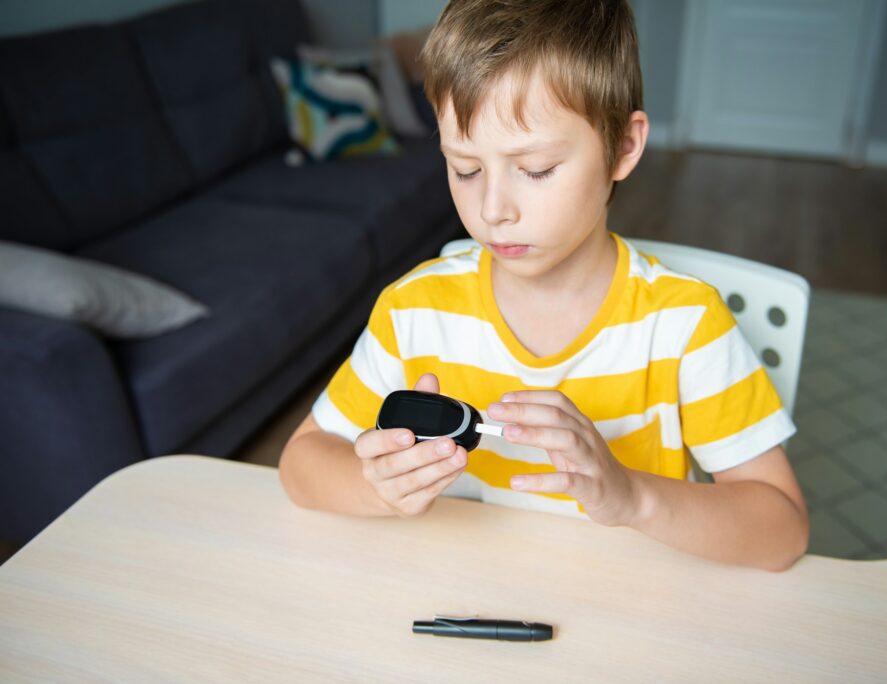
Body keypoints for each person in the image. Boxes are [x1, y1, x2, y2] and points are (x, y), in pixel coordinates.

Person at [279, 0, 808, 571]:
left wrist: (632, 496)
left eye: (535, 169)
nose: (493, 209)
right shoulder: (415, 311)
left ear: (623, 148)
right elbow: (300, 464)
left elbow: (782, 530)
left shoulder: (683, 325)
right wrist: (377, 486)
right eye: (465, 168)